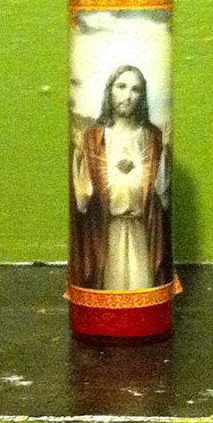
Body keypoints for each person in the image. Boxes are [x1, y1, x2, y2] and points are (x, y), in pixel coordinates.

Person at [70, 65, 170, 291]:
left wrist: (167, 151)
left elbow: (163, 195)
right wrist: (78, 154)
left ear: (142, 95)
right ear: (110, 90)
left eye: (136, 89)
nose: (128, 96)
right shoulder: (93, 137)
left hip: (142, 233)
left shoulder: (153, 136)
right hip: (107, 234)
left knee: (142, 288)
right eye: (121, 87)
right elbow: (82, 201)